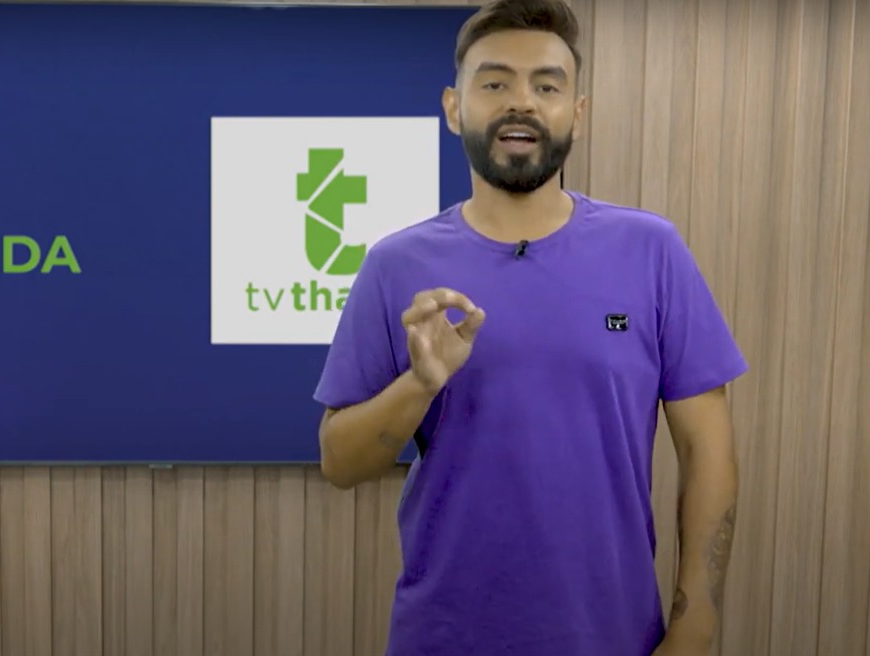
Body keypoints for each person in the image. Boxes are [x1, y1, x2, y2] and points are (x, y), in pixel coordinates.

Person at [312, 0, 747, 654]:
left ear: (577, 113)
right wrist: (419, 385)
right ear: (454, 108)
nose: (521, 102)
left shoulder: (650, 251)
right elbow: (341, 463)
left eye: (547, 86)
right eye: (494, 83)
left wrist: (695, 624)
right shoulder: (395, 265)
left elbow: (707, 447)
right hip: (443, 638)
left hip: (611, 635)